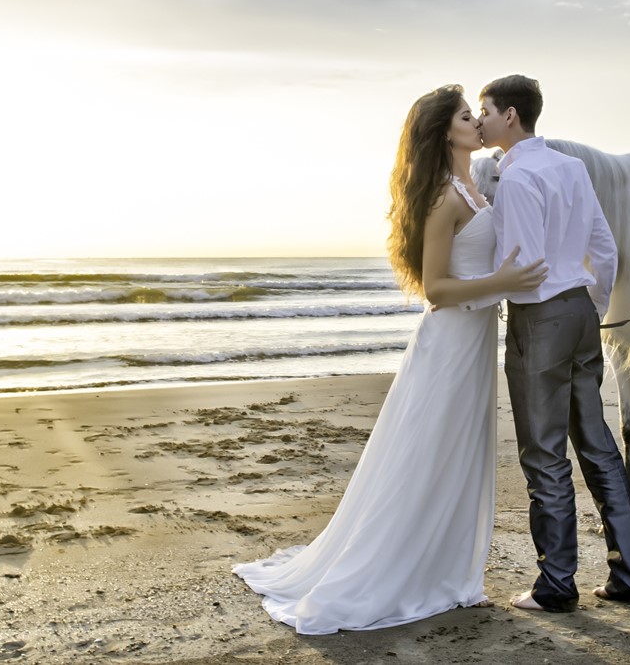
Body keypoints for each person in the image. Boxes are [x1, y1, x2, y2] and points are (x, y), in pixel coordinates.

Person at [232, 84, 546, 635]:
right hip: (449, 342)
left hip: (474, 342)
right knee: (428, 455)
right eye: (466, 116)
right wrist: (504, 282)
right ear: (443, 130)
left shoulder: (474, 186)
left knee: (460, 457)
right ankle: (407, 574)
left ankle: (450, 576)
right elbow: (436, 288)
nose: (476, 122)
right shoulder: (443, 197)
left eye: (477, 115)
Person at [471, 74, 630, 612]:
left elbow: (523, 265)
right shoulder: (571, 168)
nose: (479, 120)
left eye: (484, 110)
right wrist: (590, 304)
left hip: (540, 318)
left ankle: (555, 584)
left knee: (544, 454)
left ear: (510, 116)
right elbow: (605, 247)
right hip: (578, 311)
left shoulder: (518, 176)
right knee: (596, 445)